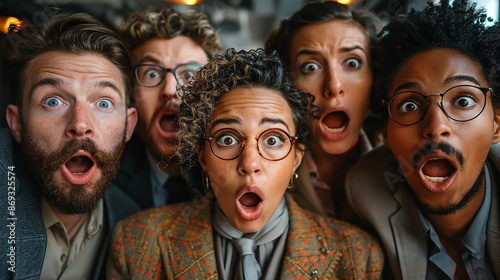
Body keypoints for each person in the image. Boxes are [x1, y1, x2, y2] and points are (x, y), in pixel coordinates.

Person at [107, 48, 383, 279]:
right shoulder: (135, 242)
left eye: (273, 140)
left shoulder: (360, 257)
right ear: (203, 156)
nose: (249, 163)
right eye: (227, 139)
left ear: (296, 157)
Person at [345, 0, 500, 279]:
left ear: (497, 125)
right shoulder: (365, 192)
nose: (436, 126)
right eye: (409, 105)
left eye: (463, 100)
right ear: (386, 135)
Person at [0, 12, 139, 279]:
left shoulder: (132, 223)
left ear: (128, 126)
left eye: (104, 102)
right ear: (17, 124)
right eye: (52, 101)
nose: (80, 124)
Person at [265, 0, 382, 218]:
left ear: (375, 79)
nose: (334, 86)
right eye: (310, 67)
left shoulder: (400, 170)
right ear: (287, 83)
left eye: (353, 63)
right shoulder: (261, 173)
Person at [113, 6, 221, 209]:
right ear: (131, 92)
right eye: (151, 74)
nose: (170, 90)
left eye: (189, 76)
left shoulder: (235, 172)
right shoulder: (106, 176)